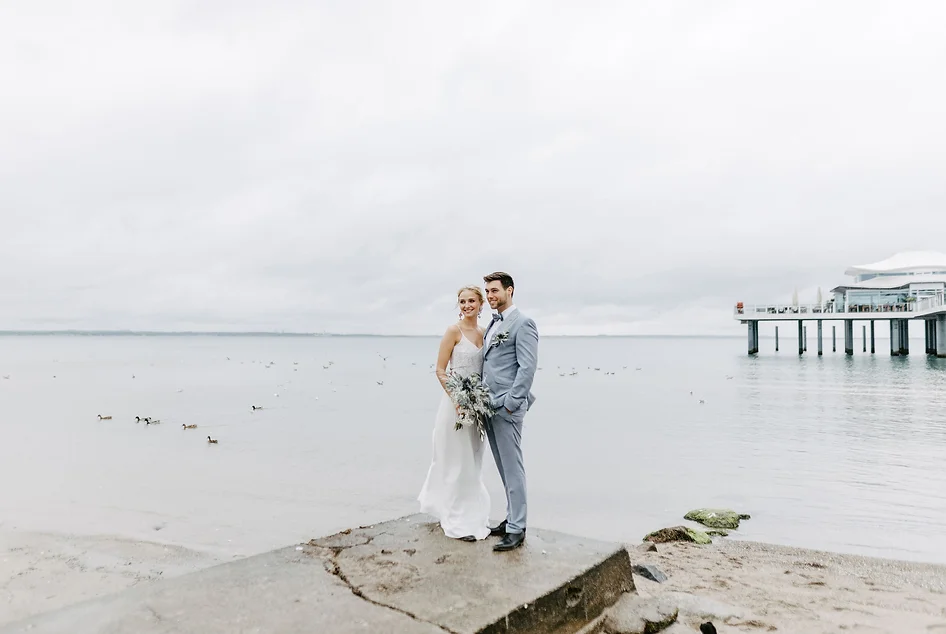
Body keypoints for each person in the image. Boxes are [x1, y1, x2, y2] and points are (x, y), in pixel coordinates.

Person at [417, 286, 491, 541]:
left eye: (472, 300)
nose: (467, 305)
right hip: (455, 407)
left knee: (473, 460)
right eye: (462, 301)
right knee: (456, 461)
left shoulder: (485, 332)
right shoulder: (453, 331)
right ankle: (456, 519)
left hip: (478, 407)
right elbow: (440, 370)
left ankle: (472, 513)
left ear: (481, 304)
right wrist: (458, 399)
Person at [481, 271, 538, 552]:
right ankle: (511, 518)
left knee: (513, 468)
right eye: (488, 292)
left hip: (506, 407)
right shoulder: (492, 324)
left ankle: (518, 528)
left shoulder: (523, 323)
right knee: (504, 468)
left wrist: (511, 403)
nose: (491, 296)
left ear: (509, 291)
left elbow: (527, 369)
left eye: (495, 291)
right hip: (488, 406)